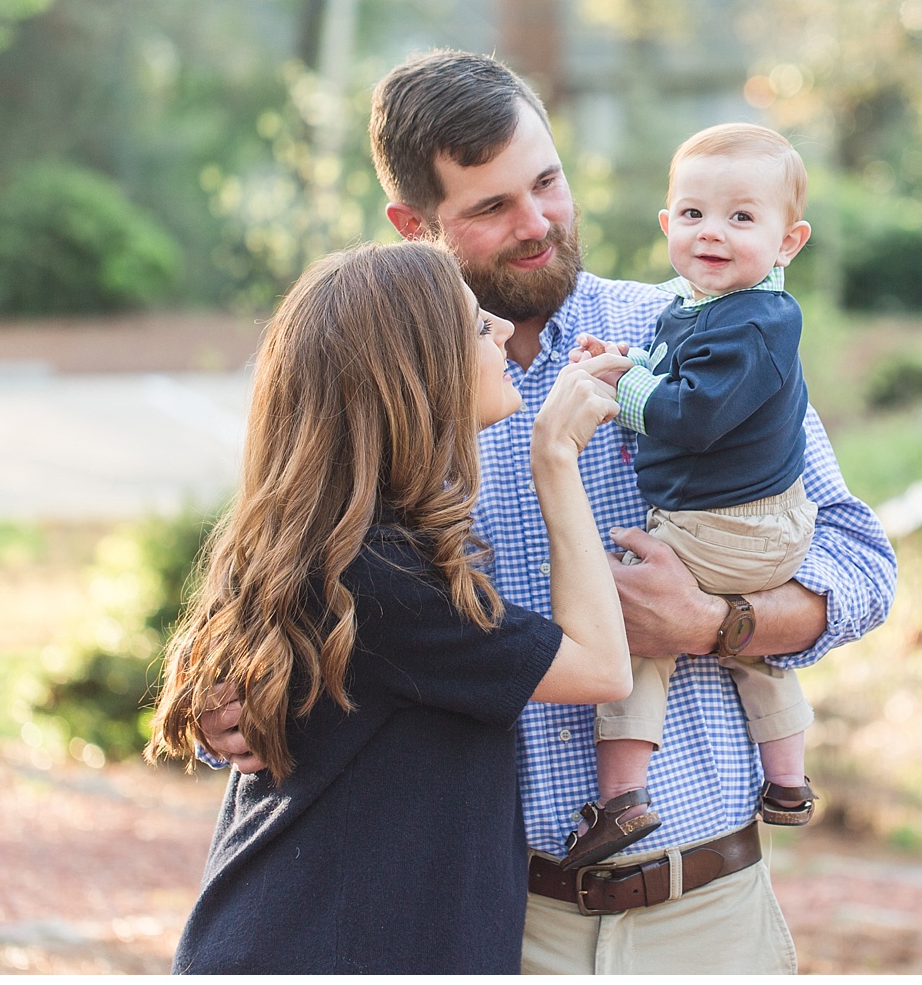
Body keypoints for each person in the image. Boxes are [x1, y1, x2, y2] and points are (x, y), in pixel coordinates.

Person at [199, 48, 897, 975]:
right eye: (491, 207)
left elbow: (860, 563)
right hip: (490, 920)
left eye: (547, 183)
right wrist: (232, 718)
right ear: (413, 224)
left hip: (708, 910)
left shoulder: (704, 329)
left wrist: (716, 622)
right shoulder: (393, 395)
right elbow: (293, 587)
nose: (538, 224)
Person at [146, 240, 635, 973]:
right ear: (413, 375)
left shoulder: (355, 550)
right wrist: (555, 458)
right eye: (476, 327)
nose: (502, 331)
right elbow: (601, 668)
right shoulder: (379, 574)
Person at [558, 122, 823, 871]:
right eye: (696, 214)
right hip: (754, 531)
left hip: (725, 525)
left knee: (632, 629)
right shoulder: (706, 309)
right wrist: (628, 362)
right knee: (760, 654)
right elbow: (683, 369)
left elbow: (693, 412)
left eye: (742, 217)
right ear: (668, 224)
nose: (714, 233)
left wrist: (625, 386)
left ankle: (620, 800)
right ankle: (788, 783)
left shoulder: (763, 320)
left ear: (787, 241)